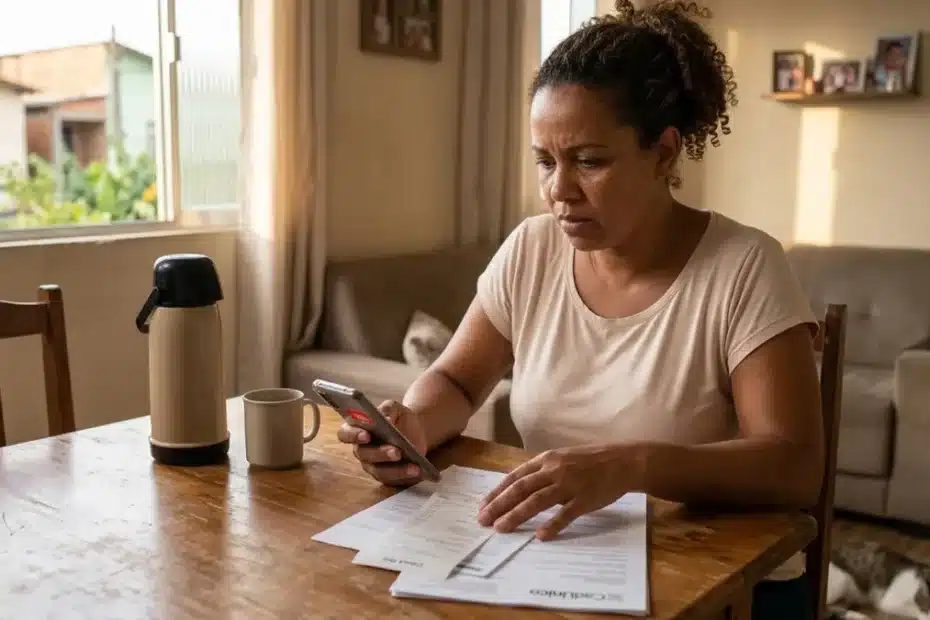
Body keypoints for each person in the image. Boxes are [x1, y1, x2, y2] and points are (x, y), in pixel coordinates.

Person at [337, 1, 824, 618]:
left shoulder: (745, 266)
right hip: (558, 566)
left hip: (726, 587)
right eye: (546, 160)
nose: (558, 190)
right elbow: (458, 380)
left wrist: (630, 464)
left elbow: (793, 465)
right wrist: (412, 429)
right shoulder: (532, 249)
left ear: (665, 153)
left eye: (589, 161)